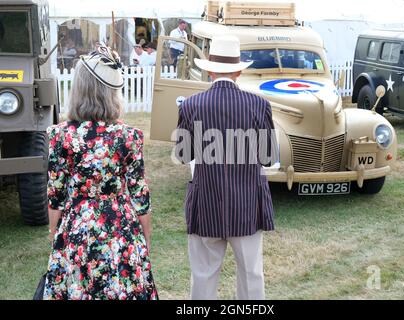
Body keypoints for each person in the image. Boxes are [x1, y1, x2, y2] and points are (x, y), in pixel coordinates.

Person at [44, 45, 158, 300]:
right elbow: (140, 197)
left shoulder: (59, 136)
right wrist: (144, 240)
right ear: (112, 93)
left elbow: (56, 197)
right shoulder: (129, 137)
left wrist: (56, 237)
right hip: (120, 232)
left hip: (77, 231)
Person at [176, 35, 277, 300]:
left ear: (209, 69)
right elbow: (268, 158)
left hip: (206, 201)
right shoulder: (259, 105)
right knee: (251, 274)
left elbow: (183, 155)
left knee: (203, 275)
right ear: (239, 70)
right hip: (247, 204)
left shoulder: (191, 105)